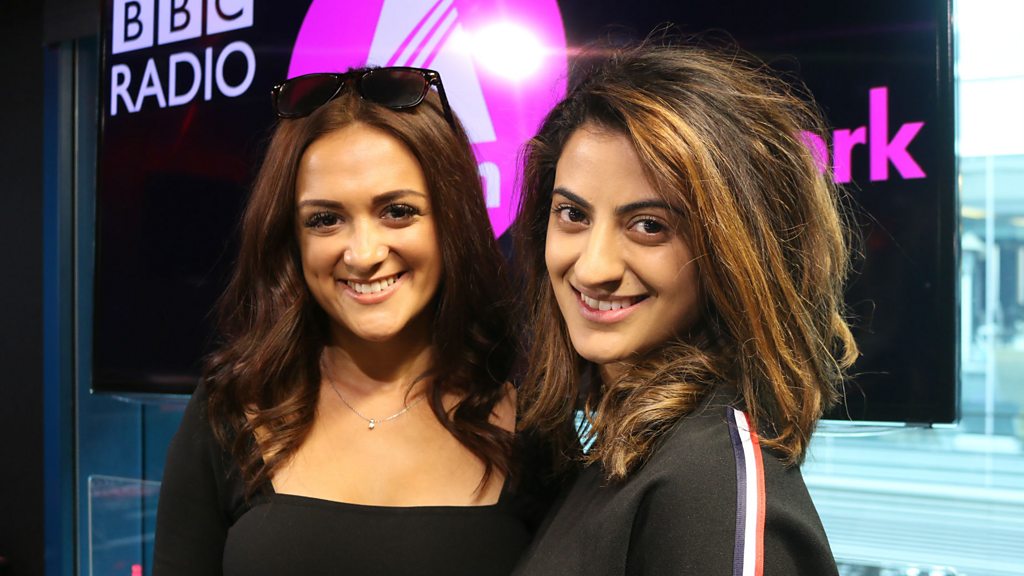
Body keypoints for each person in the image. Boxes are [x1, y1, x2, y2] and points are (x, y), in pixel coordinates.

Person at [153, 67, 536, 575]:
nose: (363, 254)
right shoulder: (230, 407)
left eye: (397, 211)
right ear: (290, 238)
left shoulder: (534, 415)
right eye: (325, 219)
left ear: (452, 220)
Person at [511, 42, 859, 575]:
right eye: (573, 215)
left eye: (649, 225)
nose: (593, 267)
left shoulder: (707, 481)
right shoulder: (627, 445)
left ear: (733, 251)